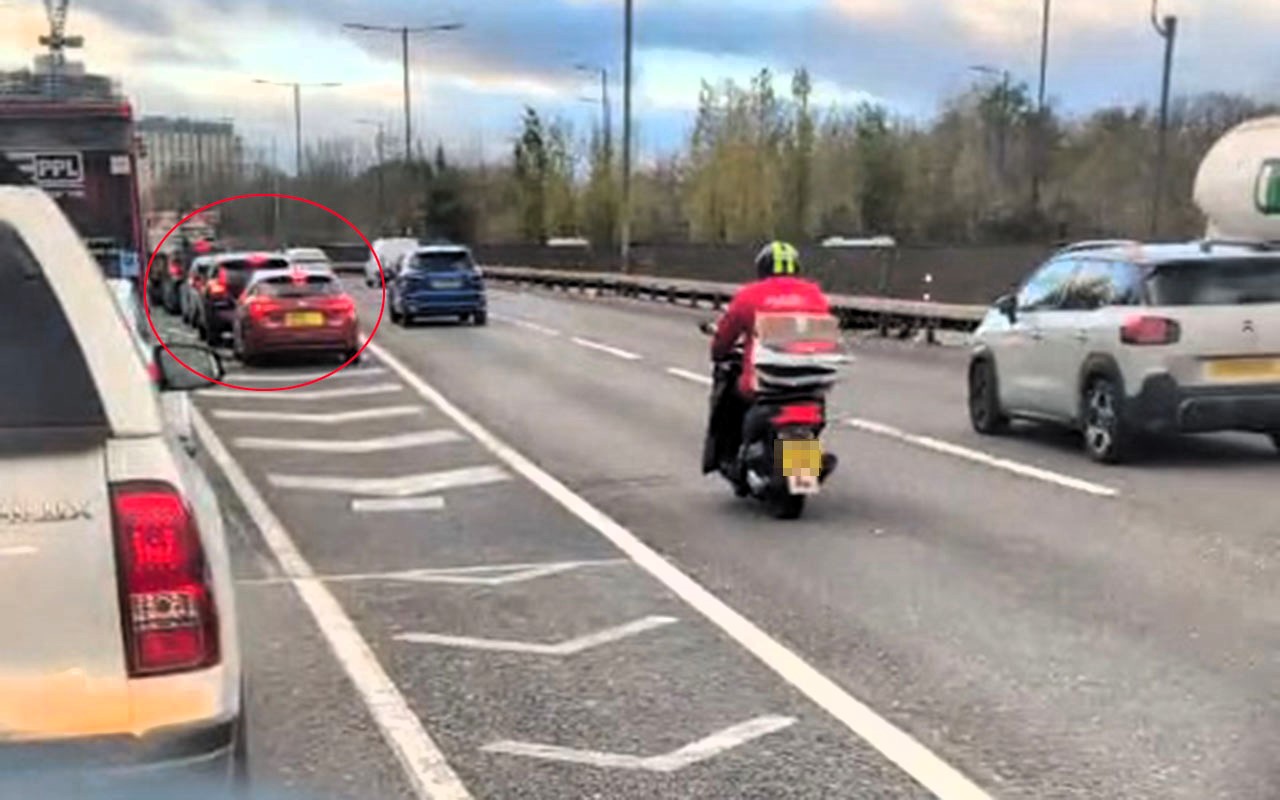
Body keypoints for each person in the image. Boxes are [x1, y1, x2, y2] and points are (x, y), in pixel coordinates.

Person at [702, 241, 833, 476]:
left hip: (765, 383)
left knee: (731, 402)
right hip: (810, 382)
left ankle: (730, 456)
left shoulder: (749, 295)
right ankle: (804, 462)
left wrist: (718, 353)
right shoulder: (814, 293)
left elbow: (726, 335)